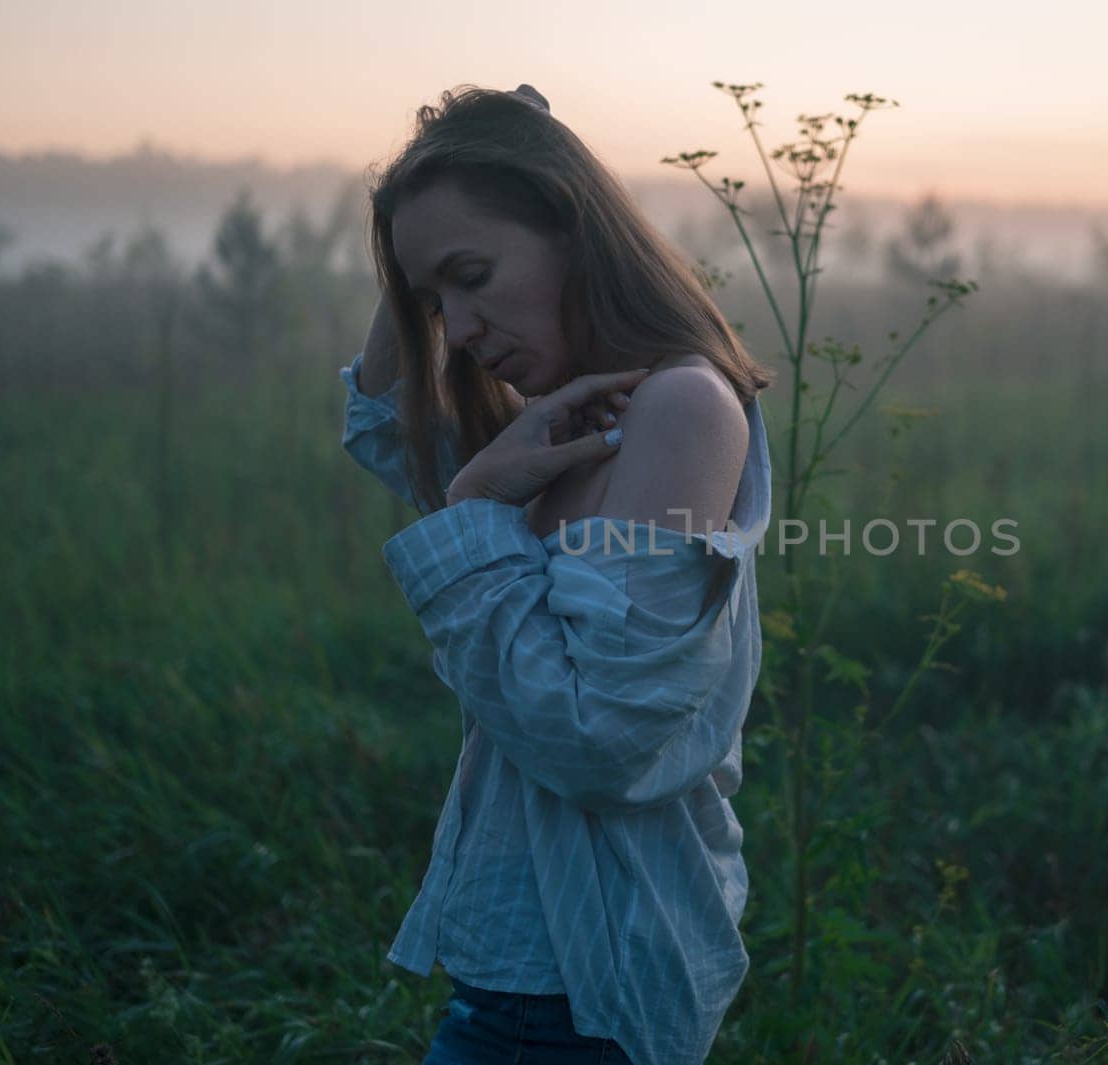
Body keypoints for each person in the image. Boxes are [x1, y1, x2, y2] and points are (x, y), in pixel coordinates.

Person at [337, 82, 775, 1065]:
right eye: (432, 302)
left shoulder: (678, 409)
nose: (461, 326)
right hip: (529, 975)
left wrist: (478, 512)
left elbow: (600, 738)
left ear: (573, 230)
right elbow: (382, 425)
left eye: (475, 275)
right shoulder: (571, 420)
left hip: (581, 985)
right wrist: (427, 197)